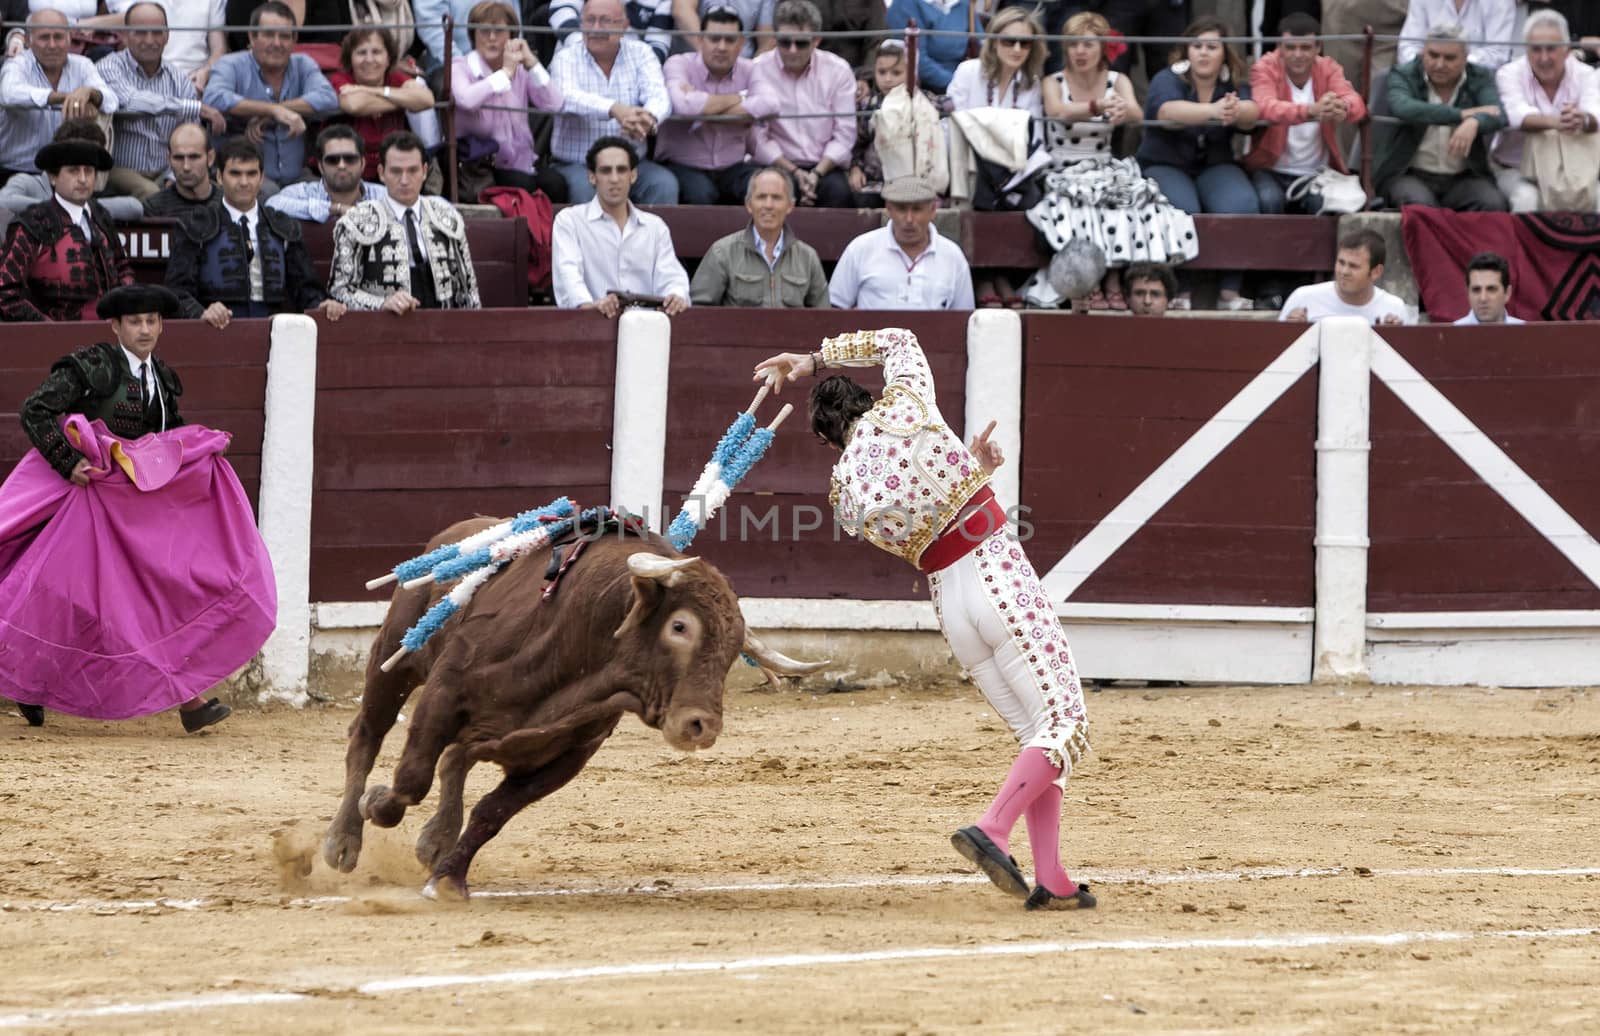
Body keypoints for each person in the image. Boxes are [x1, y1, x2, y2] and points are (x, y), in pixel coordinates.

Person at [752, 329, 1094, 912]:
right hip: (996, 573)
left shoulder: (844, 493)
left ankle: (1054, 877)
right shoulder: (906, 402)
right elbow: (899, 340)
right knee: (1065, 722)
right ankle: (992, 827)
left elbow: (924, 517)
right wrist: (810, 360)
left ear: (825, 441)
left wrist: (972, 470)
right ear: (865, 399)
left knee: (1037, 733)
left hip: (951, 605)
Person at [2, 284, 275, 733]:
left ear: (162, 325)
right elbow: (35, 410)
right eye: (135, 322)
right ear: (116, 326)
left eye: (151, 321)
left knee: (151, 599)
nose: (144, 329)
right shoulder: (92, 366)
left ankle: (190, 700)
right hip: (82, 504)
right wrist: (69, 462)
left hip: (130, 512)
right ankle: (26, 684)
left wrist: (200, 454)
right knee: (58, 600)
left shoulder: (163, 379)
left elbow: (172, 439)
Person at [1029, 11, 1194, 312]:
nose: (1080, 51)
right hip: (1062, 167)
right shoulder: (1053, 81)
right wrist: (1097, 105)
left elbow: (1136, 113)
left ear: (1103, 48)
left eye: (1088, 44)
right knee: (1080, 209)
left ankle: (1116, 280)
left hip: (1104, 165)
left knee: (1134, 202)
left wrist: (1122, 111)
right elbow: (1057, 111)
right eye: (1074, 44)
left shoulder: (1117, 80)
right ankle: (1089, 281)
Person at [1135, 17, 1260, 310]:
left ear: (1225, 54)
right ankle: (1182, 290)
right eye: (1197, 46)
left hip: (1214, 164)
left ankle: (1230, 290)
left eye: (1211, 47)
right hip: (1165, 164)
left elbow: (1253, 113)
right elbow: (1167, 111)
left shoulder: (1233, 83)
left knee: (1241, 203)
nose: (1203, 52)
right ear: (1186, 52)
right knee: (1182, 207)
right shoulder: (1167, 78)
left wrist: (1237, 109)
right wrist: (1214, 110)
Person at [166, 138, 345, 328]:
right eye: (235, 174)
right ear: (219, 177)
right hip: (214, 333)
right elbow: (177, 292)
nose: (244, 182)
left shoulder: (282, 226)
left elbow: (306, 288)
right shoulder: (196, 224)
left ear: (261, 178)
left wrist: (321, 304)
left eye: (251, 174)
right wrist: (201, 312)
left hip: (273, 333)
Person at [330, 130, 482, 312]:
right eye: (396, 171)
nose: (404, 180)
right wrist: (382, 304)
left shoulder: (446, 216)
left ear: (425, 171)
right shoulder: (356, 221)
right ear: (381, 173)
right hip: (383, 329)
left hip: (442, 327)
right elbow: (340, 291)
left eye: (412, 170)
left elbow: (468, 290)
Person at [548, 0, 677, 204]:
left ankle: (651, 238)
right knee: (585, 190)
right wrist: (614, 109)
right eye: (590, 20)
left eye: (605, 21)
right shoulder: (565, 57)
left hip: (631, 162)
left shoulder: (642, 53)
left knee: (663, 184)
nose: (596, 28)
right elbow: (566, 96)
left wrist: (648, 118)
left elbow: (660, 97)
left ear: (623, 26)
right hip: (578, 163)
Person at [203, 1, 338, 194]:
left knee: (328, 195)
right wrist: (272, 110)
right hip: (245, 179)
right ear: (252, 36)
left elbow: (328, 98)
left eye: (284, 36)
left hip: (297, 177)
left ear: (294, 39)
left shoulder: (303, 64)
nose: (277, 43)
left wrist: (277, 111)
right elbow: (213, 98)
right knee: (272, 197)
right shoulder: (231, 64)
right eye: (268, 34)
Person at [95, 1, 226, 201]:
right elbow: (130, 100)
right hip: (119, 169)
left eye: (157, 32)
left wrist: (174, 176)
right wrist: (193, 107)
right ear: (125, 35)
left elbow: (190, 134)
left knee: (209, 191)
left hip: (165, 170)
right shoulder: (108, 67)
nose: (150, 40)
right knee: (152, 194)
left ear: (167, 36)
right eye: (140, 32)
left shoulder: (178, 79)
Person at [1376, 23, 1508, 211]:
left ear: (1465, 58)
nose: (1439, 64)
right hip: (1409, 173)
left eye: (1449, 58)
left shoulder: (1479, 76)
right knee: (1421, 208)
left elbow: (1498, 114)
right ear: (1423, 52)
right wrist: (1461, 115)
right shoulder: (1404, 74)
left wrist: (1474, 121)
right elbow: (1403, 107)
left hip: (1463, 176)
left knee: (1493, 204)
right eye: (1433, 55)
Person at [551, 135, 689, 315]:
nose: (614, 178)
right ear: (592, 177)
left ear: (633, 175)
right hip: (592, 326)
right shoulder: (570, 221)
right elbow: (568, 276)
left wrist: (675, 296)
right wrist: (589, 307)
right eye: (606, 171)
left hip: (648, 328)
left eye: (621, 170)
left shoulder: (655, 227)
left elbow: (672, 276)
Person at [0, 136, 133, 322]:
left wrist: (123, 309)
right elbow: (5, 292)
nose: (83, 179)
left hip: (109, 335)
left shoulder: (101, 216)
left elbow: (122, 266)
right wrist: (48, 328)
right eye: (73, 171)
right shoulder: (34, 222)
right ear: (53, 177)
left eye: (89, 171)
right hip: (52, 341)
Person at [1245, 14, 1367, 216]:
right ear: (1279, 47)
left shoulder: (1328, 68)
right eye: (1291, 47)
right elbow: (1265, 107)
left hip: (1317, 174)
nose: (1298, 54)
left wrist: (1341, 107)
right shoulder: (1265, 67)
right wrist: (1310, 110)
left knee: (1327, 208)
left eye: (1305, 47)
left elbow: (1356, 103)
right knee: (1269, 202)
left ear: (1318, 47)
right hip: (1269, 169)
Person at [656, 5, 772, 205]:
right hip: (684, 164)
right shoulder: (679, 64)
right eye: (714, 38)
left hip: (733, 166)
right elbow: (684, 106)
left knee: (763, 186)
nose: (722, 47)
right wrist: (742, 97)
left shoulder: (751, 69)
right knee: (701, 193)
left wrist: (703, 104)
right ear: (700, 40)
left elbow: (770, 104)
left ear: (741, 43)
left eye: (730, 40)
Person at [452, 1, 567, 201]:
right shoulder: (461, 67)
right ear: (473, 36)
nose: (491, 38)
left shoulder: (520, 70)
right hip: (481, 166)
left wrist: (531, 63)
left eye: (499, 31)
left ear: (512, 36)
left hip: (522, 162)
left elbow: (555, 103)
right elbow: (466, 99)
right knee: (524, 187)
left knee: (556, 185)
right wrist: (504, 74)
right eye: (484, 31)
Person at [747, 0, 857, 208]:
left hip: (825, 166)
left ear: (817, 40)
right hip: (777, 164)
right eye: (784, 42)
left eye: (801, 43)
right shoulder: (758, 69)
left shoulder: (838, 70)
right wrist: (795, 172)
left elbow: (845, 134)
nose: (792, 50)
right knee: (771, 195)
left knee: (839, 195)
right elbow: (757, 138)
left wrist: (816, 173)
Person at [1490, 10, 1600, 213]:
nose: (1544, 58)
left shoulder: (1586, 74)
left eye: (1551, 49)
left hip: (1576, 172)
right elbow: (1516, 115)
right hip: (1517, 170)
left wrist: (1583, 119)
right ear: (1525, 50)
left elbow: (1595, 114)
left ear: (1567, 50)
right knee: (1527, 200)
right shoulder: (1509, 73)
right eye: (1536, 49)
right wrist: (1559, 122)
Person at [0, 9, 118, 182]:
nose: (52, 45)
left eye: (58, 37)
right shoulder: (18, 64)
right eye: (44, 37)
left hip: (66, 173)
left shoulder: (83, 65)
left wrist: (91, 94)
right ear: (28, 41)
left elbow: (112, 101)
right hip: (15, 170)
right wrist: (66, 97)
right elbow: (9, 94)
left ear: (70, 39)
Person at [828, 175, 974, 310]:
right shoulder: (860, 248)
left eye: (917, 210)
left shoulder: (952, 256)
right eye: (901, 209)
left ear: (933, 210)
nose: (909, 219)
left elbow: (964, 317)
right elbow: (836, 308)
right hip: (874, 337)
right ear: (889, 209)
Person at [690, 166, 828, 306]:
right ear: (749, 205)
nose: (768, 205)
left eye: (776, 197)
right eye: (761, 197)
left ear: (790, 206)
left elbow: (824, 318)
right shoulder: (722, 252)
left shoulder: (808, 258)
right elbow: (699, 311)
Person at [328, 26, 436, 182]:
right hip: (349, 172)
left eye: (377, 52)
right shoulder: (340, 79)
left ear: (388, 59)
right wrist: (403, 101)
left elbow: (426, 100)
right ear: (350, 58)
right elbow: (354, 105)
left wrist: (371, 90)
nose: (369, 59)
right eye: (361, 52)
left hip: (393, 172)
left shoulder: (396, 78)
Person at [0, 117, 143, 228]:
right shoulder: (28, 183)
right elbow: (4, 201)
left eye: (89, 167)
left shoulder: (89, 191)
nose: (82, 178)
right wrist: (58, 208)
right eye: (74, 168)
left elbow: (134, 207)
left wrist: (81, 207)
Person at [1280, 229, 1411, 324]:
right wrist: (1292, 331)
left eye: (1354, 266)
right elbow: (1276, 351)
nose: (1344, 271)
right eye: (1341, 262)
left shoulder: (1394, 309)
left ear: (1376, 272)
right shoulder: (1303, 298)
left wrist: (1395, 337)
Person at [265, 124, 389, 222]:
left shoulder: (383, 195)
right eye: (332, 160)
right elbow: (272, 205)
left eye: (350, 159)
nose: (341, 165)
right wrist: (335, 209)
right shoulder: (303, 192)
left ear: (363, 163)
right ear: (320, 166)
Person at [106, 0, 227, 88]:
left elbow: (218, 49)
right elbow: (128, 23)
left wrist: (206, 71)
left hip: (195, 78)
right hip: (146, 75)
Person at [1398, 0, 1517, 71]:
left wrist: (1455, 63)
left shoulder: (1500, 2)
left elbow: (1498, 54)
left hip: (1477, 80)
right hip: (1426, 75)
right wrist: (1426, 63)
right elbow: (1408, 45)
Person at [884, 0, 970, 93]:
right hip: (930, 89)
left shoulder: (964, 3)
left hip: (965, 81)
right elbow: (918, 60)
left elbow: (982, 45)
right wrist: (957, 83)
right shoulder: (904, 4)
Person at [143, 122, 220, 216]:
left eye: (194, 157)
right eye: (178, 158)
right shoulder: (154, 208)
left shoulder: (229, 204)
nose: (186, 167)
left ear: (210, 158)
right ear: (169, 159)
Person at [672, 0, 774, 60]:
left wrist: (750, 72)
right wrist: (709, 54)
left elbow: (767, 42)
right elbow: (681, 11)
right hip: (693, 64)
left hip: (742, 69)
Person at [1454, 251, 1524, 325]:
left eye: (1491, 289)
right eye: (1476, 290)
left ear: (1507, 293)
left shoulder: (1527, 333)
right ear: (1468, 293)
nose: (1483, 298)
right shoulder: (1451, 335)